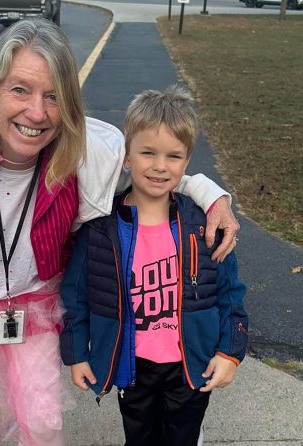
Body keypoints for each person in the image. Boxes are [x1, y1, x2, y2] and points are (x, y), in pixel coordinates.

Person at [0, 19, 240, 446]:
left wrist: (213, 195)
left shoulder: (88, 151)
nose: (36, 113)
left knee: (42, 421)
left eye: (53, 97)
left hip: (31, 304)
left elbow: (155, 172)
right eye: (20, 89)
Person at [59, 86, 249, 446]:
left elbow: (230, 293)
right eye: (148, 152)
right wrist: (77, 354)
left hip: (189, 366)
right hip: (132, 368)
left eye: (173, 156)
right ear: (127, 157)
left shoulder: (203, 225)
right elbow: (76, 296)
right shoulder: (101, 228)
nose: (160, 166)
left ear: (187, 160)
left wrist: (230, 352)